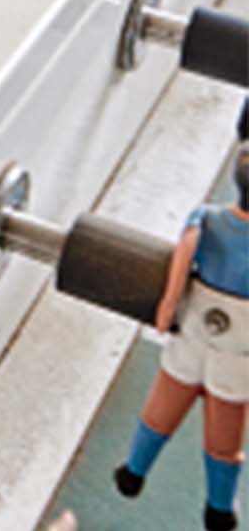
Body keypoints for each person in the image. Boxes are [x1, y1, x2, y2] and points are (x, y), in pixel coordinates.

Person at [114, 143, 249, 529]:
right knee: (224, 435)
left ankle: (133, 471)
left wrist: (169, 303)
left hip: (193, 328)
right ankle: (219, 508)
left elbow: (185, 247)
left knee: (164, 405)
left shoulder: (207, 217)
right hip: (239, 349)